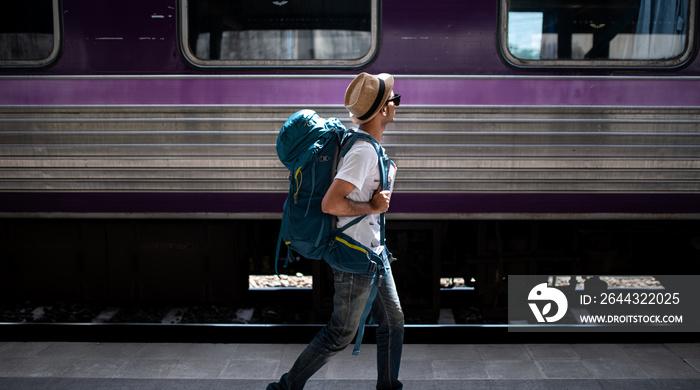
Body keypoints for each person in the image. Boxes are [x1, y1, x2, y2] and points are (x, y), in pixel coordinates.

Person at [267, 72, 404, 390]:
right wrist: (371, 207)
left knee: (393, 322)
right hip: (355, 257)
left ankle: (388, 387)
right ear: (383, 110)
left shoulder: (367, 146)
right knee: (340, 334)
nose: (397, 104)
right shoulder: (363, 152)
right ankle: (285, 387)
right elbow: (331, 204)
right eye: (394, 99)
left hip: (374, 254)